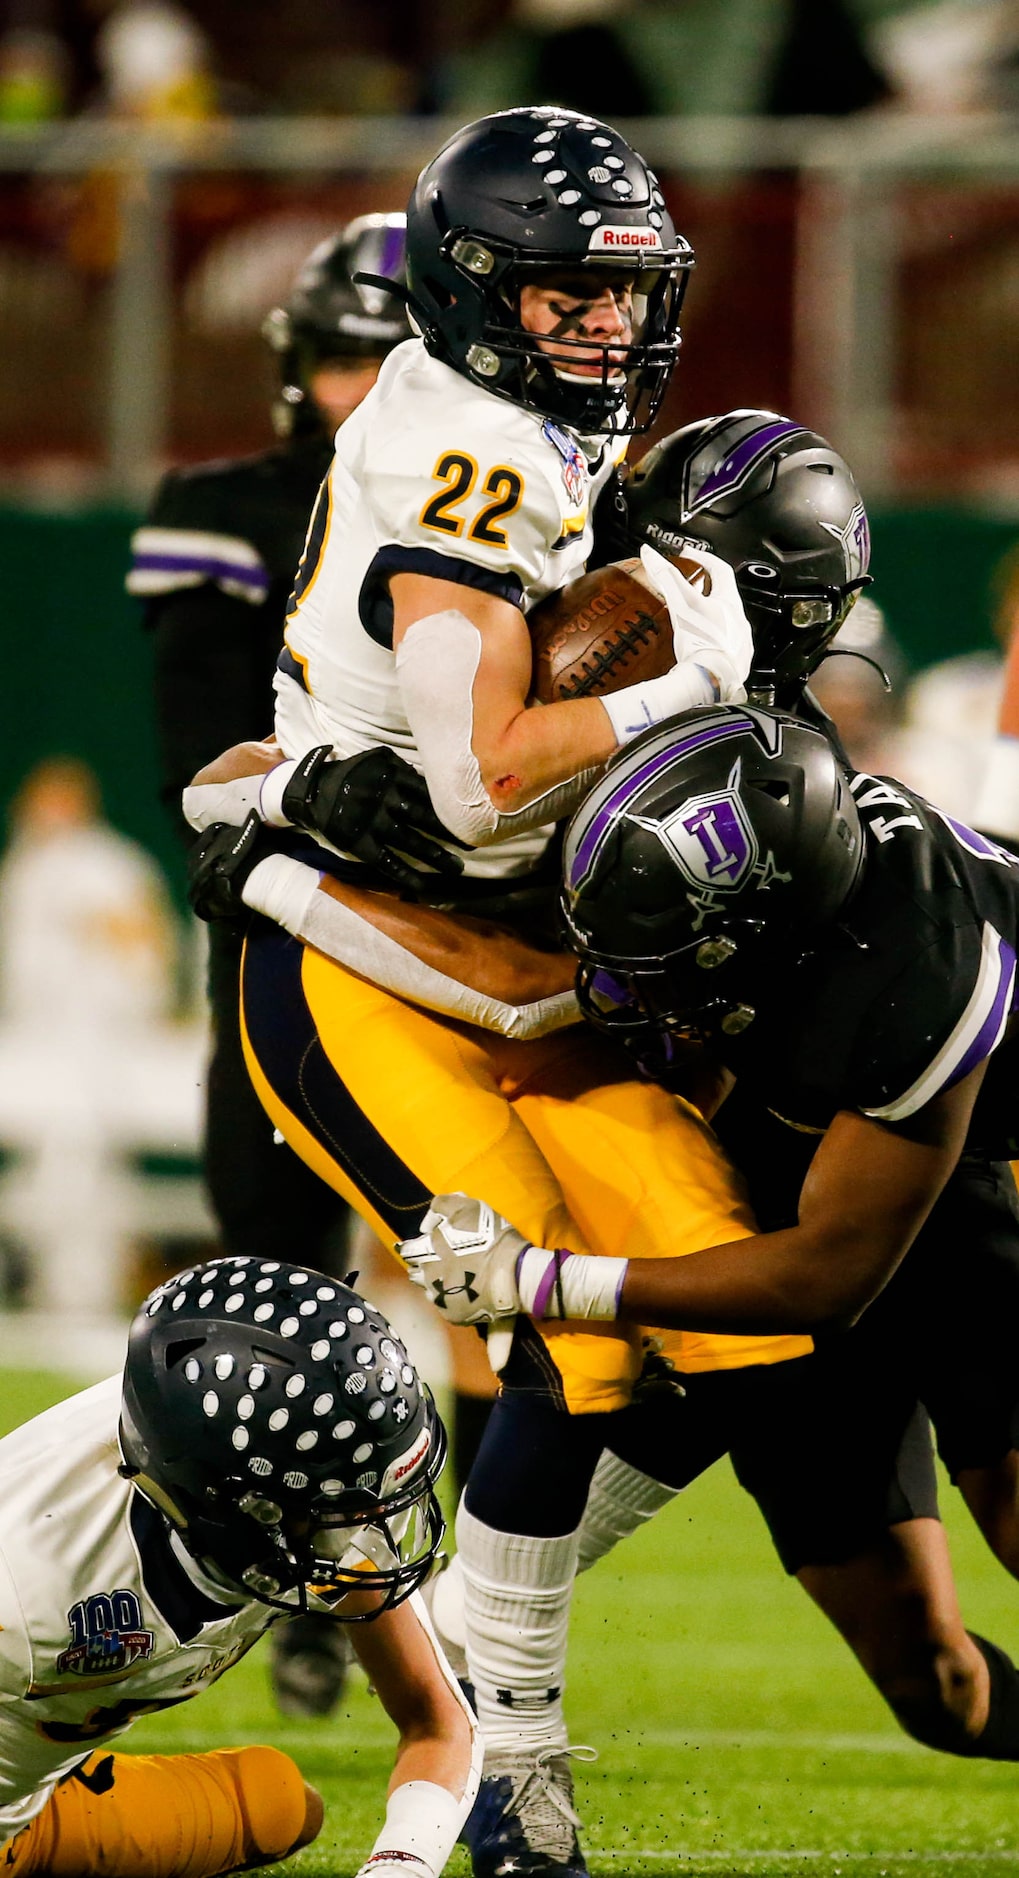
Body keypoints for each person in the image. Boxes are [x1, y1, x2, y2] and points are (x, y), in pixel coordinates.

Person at [178, 106, 795, 1878]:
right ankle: (506, 1757)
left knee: (725, 1332)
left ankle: (454, 1624)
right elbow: (473, 779)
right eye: (563, 300)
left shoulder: (518, 430)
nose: (607, 330)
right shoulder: (471, 455)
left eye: (623, 296)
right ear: (465, 293)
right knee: (562, 1337)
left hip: (521, 967)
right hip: (367, 961)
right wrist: (692, 666)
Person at [129, 212, 459, 1720]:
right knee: (273, 1261)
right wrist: (309, 806)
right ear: (295, 370)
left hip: (463, 934)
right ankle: (306, 1579)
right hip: (286, 921)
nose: (362, 386)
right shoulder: (222, 508)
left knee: (496, 1274)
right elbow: (193, 764)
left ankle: (489, 1617)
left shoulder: (493, 502)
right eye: (341, 357)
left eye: (388, 356)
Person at [0, 1255, 478, 1877]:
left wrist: (402, 1866)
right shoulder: (28, 1583)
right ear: (231, 1500)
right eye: (337, 1506)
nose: (364, 1530)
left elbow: (438, 1726)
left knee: (279, 1804)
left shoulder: (255, 1465)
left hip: (34, 1800)